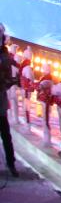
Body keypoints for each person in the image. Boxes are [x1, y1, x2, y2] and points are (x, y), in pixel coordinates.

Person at [0, 27, 18, 176]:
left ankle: (11, 163)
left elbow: (10, 78)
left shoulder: (5, 57)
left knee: (5, 134)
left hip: (0, 102)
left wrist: (6, 83)